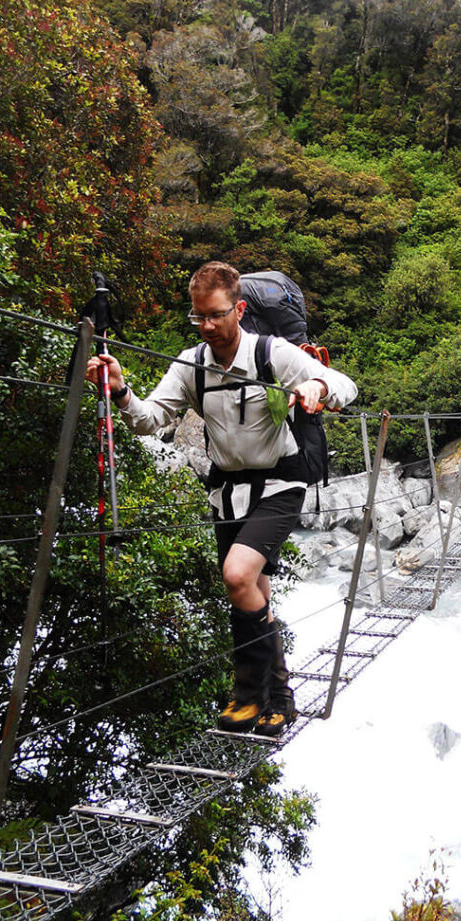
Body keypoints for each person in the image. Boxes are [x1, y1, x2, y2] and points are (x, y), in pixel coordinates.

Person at [86, 262, 358, 736]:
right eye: (198, 318)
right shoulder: (191, 364)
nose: (207, 326)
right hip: (226, 493)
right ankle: (278, 698)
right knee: (251, 593)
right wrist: (121, 392)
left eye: (214, 315)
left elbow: (346, 388)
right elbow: (151, 419)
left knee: (236, 576)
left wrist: (315, 385)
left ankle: (249, 693)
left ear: (239, 309)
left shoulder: (273, 353)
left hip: (279, 485)